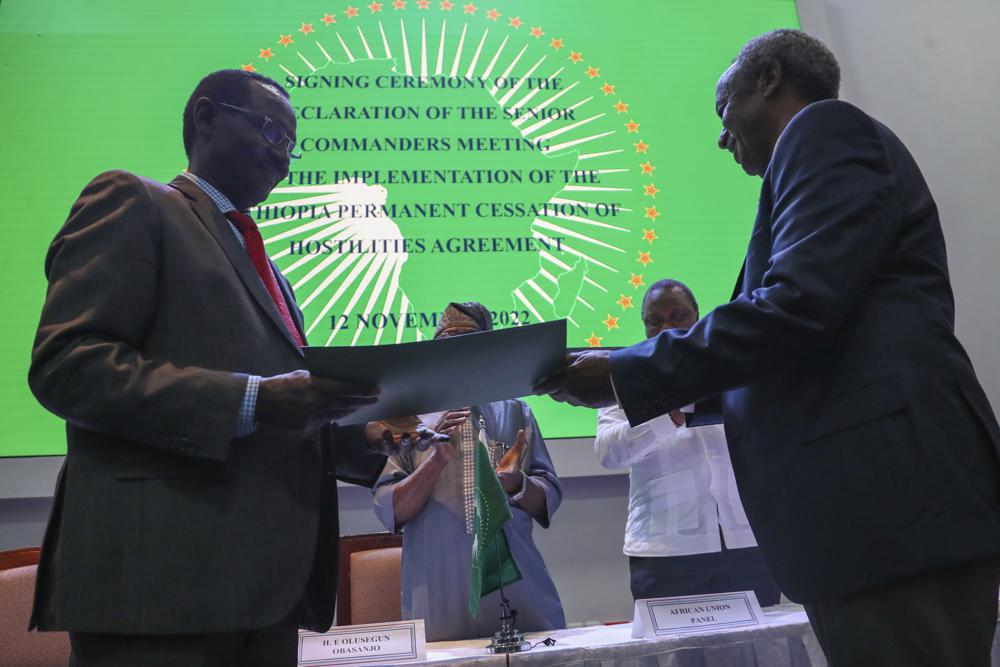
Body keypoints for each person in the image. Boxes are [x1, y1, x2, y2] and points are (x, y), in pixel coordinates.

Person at [536, 29, 1000, 666]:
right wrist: (632, 371)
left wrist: (623, 372)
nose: (722, 137)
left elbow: (796, 307)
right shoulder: (816, 161)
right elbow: (800, 345)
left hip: (891, 514)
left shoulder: (824, 130)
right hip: (879, 521)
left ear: (771, 79)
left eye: (724, 111)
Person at [28, 69, 387, 666]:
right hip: (161, 589)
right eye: (273, 131)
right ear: (206, 117)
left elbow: (284, 418)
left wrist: (371, 436)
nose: (284, 161)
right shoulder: (133, 201)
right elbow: (69, 365)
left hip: (270, 592)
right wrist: (254, 399)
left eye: (292, 148)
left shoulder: (273, 273)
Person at [372, 302, 566, 641]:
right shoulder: (411, 420)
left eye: (468, 341)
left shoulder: (516, 412)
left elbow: (547, 498)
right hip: (437, 589)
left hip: (516, 585)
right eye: (446, 341)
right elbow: (390, 510)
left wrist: (517, 483)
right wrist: (435, 460)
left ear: (488, 349)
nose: (457, 353)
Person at [595, 279, 780, 605]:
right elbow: (610, 451)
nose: (666, 327)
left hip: (746, 542)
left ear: (697, 316)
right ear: (644, 327)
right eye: (655, 320)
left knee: (760, 652)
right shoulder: (626, 376)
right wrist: (668, 415)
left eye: (678, 316)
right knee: (677, 656)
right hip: (665, 552)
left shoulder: (730, 368)